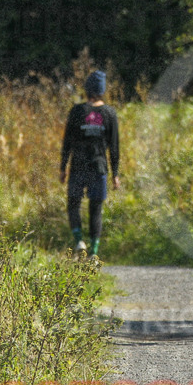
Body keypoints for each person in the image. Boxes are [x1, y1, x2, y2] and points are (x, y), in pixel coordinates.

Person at [60, 70, 121, 257]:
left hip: (78, 166)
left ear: (87, 89)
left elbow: (67, 142)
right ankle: (94, 253)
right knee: (96, 209)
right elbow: (114, 146)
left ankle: (79, 241)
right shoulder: (110, 114)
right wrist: (115, 174)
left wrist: (63, 167)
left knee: (73, 204)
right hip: (99, 167)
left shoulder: (77, 111)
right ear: (102, 91)